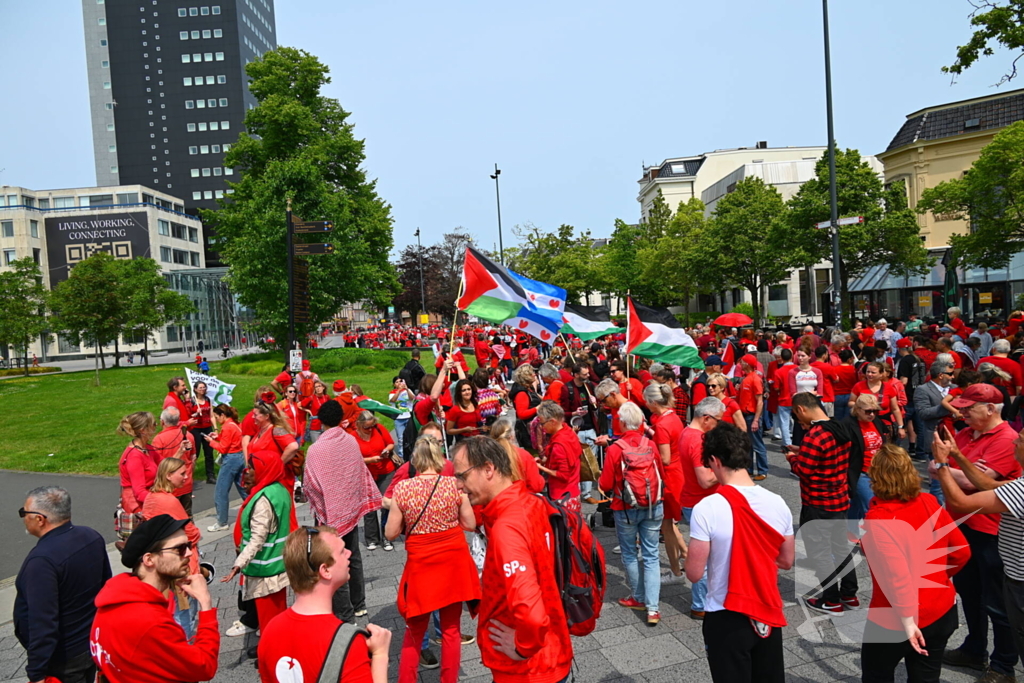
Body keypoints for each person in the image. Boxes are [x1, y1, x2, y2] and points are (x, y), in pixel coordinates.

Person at [451, 437, 573, 683]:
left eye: (462, 476)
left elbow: (532, 616)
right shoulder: (532, 502)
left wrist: (521, 647)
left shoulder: (507, 527)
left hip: (526, 669)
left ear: (488, 469)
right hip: (553, 649)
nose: (459, 486)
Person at [686, 423, 794, 683]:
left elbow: (694, 572)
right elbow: (786, 560)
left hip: (725, 612)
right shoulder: (778, 503)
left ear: (714, 460)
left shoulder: (707, 507)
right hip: (766, 611)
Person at [929, 383, 1022, 681]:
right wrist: (954, 468)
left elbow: (973, 484)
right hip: (962, 526)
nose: (962, 412)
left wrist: (949, 466)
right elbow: (943, 468)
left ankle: (1003, 665)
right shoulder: (966, 433)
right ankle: (974, 649)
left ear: (991, 409)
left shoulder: (1008, 438)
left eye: (970, 408)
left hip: (990, 531)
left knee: (998, 602)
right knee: (968, 592)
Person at [858, 444, 970, 683]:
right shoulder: (928, 501)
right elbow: (961, 551)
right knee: (927, 676)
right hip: (940, 608)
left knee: (876, 673)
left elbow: (896, 578)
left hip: (895, 616)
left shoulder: (879, 519)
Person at [386, 437, 481, 683]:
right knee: (451, 631)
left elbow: (390, 533)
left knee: (414, 632)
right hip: (453, 562)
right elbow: (470, 524)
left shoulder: (403, 489)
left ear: (416, 460)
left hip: (421, 565)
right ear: (439, 459)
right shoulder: (453, 485)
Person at [90, 514, 219, 683]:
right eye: (179, 548)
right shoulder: (150, 622)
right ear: (149, 559)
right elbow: (204, 667)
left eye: (188, 545)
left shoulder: (112, 600)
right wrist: (205, 605)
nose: (188, 553)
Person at [257, 526, 391, 683]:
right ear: (325, 570)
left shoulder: (270, 630)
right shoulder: (348, 644)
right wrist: (380, 655)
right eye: (342, 551)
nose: (349, 553)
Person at [15, 486, 111, 683]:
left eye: (24, 512)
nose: (23, 517)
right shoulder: (91, 536)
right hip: (90, 642)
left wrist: (37, 673)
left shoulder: (41, 562)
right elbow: (105, 589)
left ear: (40, 519)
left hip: (63, 659)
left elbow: (43, 622)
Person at [303, 400, 382, 623]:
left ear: (320, 420)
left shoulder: (316, 450)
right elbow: (357, 471)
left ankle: (345, 613)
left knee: (333, 561)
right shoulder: (350, 440)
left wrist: (325, 504)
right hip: (349, 509)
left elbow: (310, 485)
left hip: (329, 516)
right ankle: (360, 604)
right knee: (353, 556)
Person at [785, 392, 859, 613]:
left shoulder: (815, 435)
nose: (801, 425)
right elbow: (830, 456)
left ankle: (831, 599)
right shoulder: (839, 427)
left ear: (801, 409)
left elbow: (804, 470)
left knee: (820, 552)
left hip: (817, 503)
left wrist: (793, 458)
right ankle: (850, 594)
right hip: (839, 499)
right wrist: (804, 452)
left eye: (799, 419)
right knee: (842, 549)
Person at [222, 451, 298, 658]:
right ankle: (276, 646)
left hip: (264, 567)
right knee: (278, 612)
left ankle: (273, 653)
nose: (248, 472)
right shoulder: (279, 489)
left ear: (264, 469)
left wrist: (238, 564)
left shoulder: (263, 499)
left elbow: (258, 538)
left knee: (269, 617)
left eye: (253, 468)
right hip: (277, 563)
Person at [599, 401, 666, 626]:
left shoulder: (615, 449)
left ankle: (637, 598)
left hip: (625, 508)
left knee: (629, 554)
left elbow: (606, 483)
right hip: (653, 505)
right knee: (652, 555)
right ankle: (653, 609)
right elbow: (661, 472)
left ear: (622, 423)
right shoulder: (651, 444)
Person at [141, 457, 204, 637]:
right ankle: (186, 647)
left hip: (162, 561)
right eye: (182, 474)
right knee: (185, 612)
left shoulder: (152, 497)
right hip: (180, 563)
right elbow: (190, 532)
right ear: (168, 475)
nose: (186, 477)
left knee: (173, 609)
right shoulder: (169, 501)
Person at [678, 397, 726, 620]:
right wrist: (726, 469)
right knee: (708, 560)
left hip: (693, 500)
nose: (718, 425)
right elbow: (705, 480)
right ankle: (702, 604)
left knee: (707, 557)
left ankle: (703, 603)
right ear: (706, 418)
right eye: (717, 421)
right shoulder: (697, 440)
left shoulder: (687, 432)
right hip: (701, 501)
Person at [643, 382, 688, 583]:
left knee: (667, 526)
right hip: (678, 473)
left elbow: (665, 458)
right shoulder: (673, 417)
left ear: (653, 402)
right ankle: (686, 553)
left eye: (647, 401)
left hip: (668, 477)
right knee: (670, 523)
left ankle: (675, 571)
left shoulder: (661, 424)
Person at [351, 410, 397, 551]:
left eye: (372, 426)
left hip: (385, 471)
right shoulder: (352, 437)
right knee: (369, 507)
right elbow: (352, 458)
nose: (370, 429)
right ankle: (372, 539)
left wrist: (386, 450)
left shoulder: (379, 428)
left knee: (386, 504)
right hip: (366, 474)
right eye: (366, 427)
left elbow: (390, 443)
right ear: (358, 425)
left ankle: (387, 537)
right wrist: (370, 460)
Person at [117, 412, 166, 517]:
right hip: (140, 508)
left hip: (149, 502)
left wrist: (181, 452)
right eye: (153, 424)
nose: (156, 426)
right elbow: (139, 493)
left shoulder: (147, 448)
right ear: (143, 430)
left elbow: (165, 465)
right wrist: (163, 501)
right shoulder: (134, 457)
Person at [151, 407, 197, 517]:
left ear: (162, 422)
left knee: (170, 519)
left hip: (168, 487)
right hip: (186, 483)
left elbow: (156, 465)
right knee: (187, 516)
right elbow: (193, 458)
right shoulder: (188, 436)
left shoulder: (159, 439)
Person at [537, 400, 582, 512]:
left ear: (552, 421)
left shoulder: (559, 445)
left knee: (565, 528)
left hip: (562, 496)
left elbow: (563, 475)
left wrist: (540, 467)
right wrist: (544, 461)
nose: (542, 427)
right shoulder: (568, 431)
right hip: (573, 491)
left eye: (542, 423)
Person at [738, 354, 767, 478]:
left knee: (757, 444)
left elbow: (760, 401)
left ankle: (762, 471)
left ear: (747, 364)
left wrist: (756, 420)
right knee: (748, 444)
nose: (741, 364)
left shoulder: (754, 379)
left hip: (751, 416)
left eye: (743, 362)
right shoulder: (748, 378)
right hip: (746, 415)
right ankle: (750, 468)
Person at [190, 381, 216, 484]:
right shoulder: (191, 401)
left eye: (204, 387)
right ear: (195, 389)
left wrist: (215, 428)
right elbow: (188, 416)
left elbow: (212, 415)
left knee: (209, 453)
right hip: (195, 429)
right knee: (195, 453)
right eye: (200, 388)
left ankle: (210, 475)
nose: (202, 389)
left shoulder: (207, 399)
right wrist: (196, 413)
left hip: (207, 428)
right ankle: (190, 476)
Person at [389, 376, 414, 457]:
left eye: (400, 381)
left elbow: (412, 398)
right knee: (400, 438)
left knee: (411, 437)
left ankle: (411, 453)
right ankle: (401, 455)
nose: (399, 383)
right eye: (397, 382)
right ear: (394, 384)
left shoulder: (407, 391)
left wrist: (406, 389)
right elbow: (392, 400)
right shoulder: (392, 393)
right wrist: (399, 391)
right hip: (399, 419)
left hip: (408, 417)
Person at [300, 380, 331, 445]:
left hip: (326, 424)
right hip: (315, 426)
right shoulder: (311, 398)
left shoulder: (327, 397)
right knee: (317, 446)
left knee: (327, 445)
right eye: (316, 387)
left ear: (323, 387)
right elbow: (299, 405)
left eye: (319, 386)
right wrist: (308, 410)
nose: (318, 388)